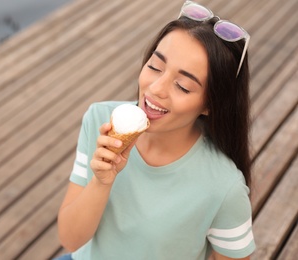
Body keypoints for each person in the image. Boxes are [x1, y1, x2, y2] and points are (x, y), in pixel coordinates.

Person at [56, 1, 256, 259]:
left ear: (210, 105)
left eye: (182, 86)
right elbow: (70, 241)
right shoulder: (100, 119)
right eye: (155, 67)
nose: (156, 89)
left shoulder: (223, 186)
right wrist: (101, 181)